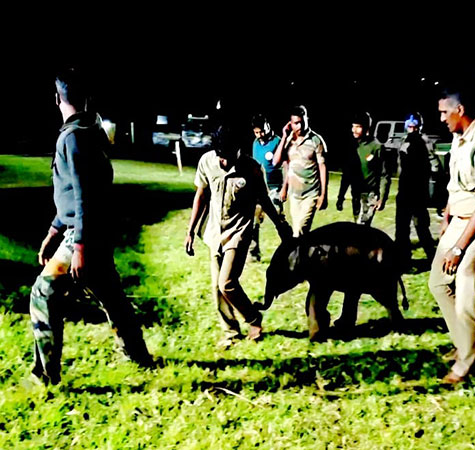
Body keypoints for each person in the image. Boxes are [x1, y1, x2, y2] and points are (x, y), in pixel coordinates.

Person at [30, 68, 154, 385]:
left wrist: (79, 246)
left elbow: (85, 194)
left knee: (42, 295)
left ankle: (47, 374)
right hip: (90, 231)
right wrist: (53, 231)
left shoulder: (73, 137)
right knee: (111, 296)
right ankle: (140, 357)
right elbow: (73, 193)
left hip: (83, 236)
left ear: (57, 98)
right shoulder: (89, 131)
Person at [184, 123, 292, 348]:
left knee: (227, 283)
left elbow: (263, 199)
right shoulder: (207, 162)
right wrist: (191, 231)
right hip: (214, 232)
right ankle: (231, 332)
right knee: (216, 287)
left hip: (239, 232)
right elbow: (201, 196)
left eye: (229, 156)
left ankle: (253, 318)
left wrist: (280, 224)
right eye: (221, 157)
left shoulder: (251, 168)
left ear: (239, 150)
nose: (225, 162)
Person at [428, 88, 475, 384]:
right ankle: (467, 344)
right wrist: (447, 218)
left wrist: (459, 247)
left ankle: (467, 359)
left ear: (459, 110)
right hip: (457, 222)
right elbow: (455, 186)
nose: (442, 119)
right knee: (437, 283)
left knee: (465, 293)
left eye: (444, 112)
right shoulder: (460, 140)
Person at [273, 105, 328, 237]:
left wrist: (323, 194)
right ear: (290, 124)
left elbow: (322, 167)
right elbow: (277, 162)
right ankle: (306, 256)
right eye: (296, 123)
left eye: (303, 122)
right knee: (299, 232)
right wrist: (284, 136)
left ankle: (297, 256)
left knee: (299, 231)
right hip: (294, 195)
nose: (300, 126)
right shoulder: (289, 140)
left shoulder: (316, 140)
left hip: (311, 194)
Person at [393, 114, 436, 269]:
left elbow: (433, 165)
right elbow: (400, 166)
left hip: (417, 192)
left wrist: (430, 191)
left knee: (421, 227)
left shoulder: (425, 142)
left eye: (414, 126)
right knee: (401, 229)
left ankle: (433, 258)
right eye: (409, 126)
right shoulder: (403, 142)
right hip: (404, 190)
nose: (412, 129)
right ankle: (403, 260)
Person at [336, 111, 390, 225]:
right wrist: (341, 196)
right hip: (355, 193)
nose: (354, 130)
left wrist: (382, 197)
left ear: (366, 128)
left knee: (361, 227)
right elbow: (347, 174)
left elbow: (384, 174)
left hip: (370, 194)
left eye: (358, 127)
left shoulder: (376, 147)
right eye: (353, 126)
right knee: (359, 226)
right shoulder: (351, 147)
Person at [248, 114, 284, 261]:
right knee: (254, 221)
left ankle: (287, 249)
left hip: (274, 188)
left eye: (261, 131)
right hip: (258, 188)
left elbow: (285, 164)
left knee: (279, 220)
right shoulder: (255, 144)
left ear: (268, 126)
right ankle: (253, 252)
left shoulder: (278, 142)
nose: (260, 135)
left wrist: (284, 189)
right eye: (256, 132)